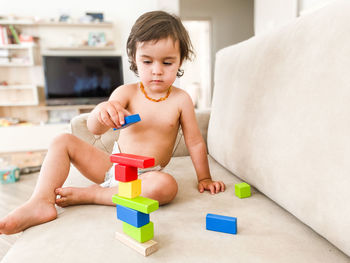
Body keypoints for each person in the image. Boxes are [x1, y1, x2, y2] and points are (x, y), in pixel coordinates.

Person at [0, 10, 225, 235]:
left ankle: (95, 194)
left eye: (167, 62)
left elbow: (195, 142)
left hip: (147, 176)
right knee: (62, 140)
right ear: (135, 59)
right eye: (147, 61)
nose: (156, 71)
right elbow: (94, 128)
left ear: (180, 61)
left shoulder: (181, 100)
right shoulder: (126, 92)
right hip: (112, 168)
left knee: (167, 186)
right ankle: (40, 201)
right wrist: (103, 111)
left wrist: (204, 178)